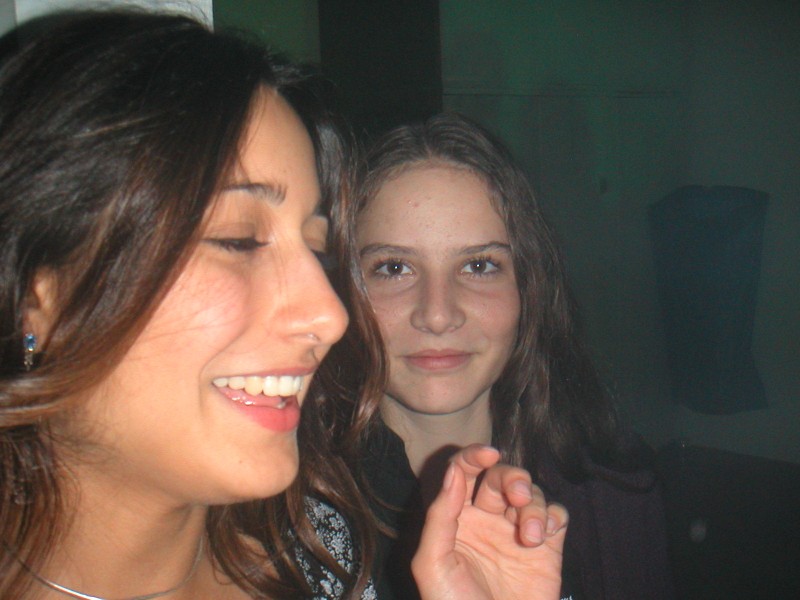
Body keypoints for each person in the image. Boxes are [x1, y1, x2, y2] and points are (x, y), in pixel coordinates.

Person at [0, 10, 567, 600]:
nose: (331, 315)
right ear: (41, 299)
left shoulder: (326, 567)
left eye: (317, 250)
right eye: (238, 240)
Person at [343, 113, 675, 599]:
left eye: (479, 265)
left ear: (528, 288)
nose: (438, 315)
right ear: (343, 291)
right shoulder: (271, 520)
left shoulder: (616, 494)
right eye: (393, 268)